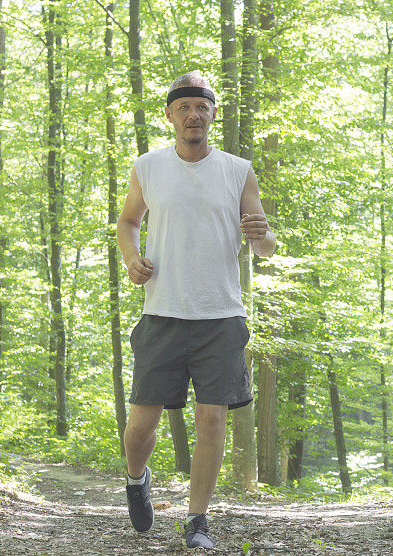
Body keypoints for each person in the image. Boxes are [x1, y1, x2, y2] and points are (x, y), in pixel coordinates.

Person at [116, 70, 276, 549]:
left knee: (212, 419)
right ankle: (136, 478)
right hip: (162, 312)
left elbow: (266, 246)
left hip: (221, 315)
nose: (193, 114)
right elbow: (127, 221)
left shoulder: (237, 169)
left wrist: (260, 235)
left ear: (212, 115)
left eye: (201, 107)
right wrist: (131, 257)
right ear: (170, 115)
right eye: (184, 107)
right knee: (142, 423)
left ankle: (196, 520)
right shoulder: (148, 167)